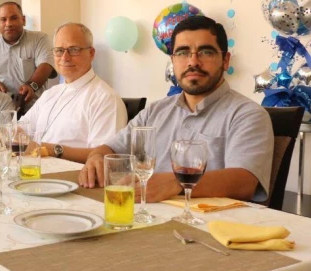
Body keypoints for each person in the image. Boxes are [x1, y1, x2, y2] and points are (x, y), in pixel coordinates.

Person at [80, 16, 274, 202]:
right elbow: (111, 148)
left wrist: (176, 183)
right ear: (172, 61)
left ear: (225, 60)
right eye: (182, 53)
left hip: (211, 221)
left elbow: (244, 182)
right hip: (149, 214)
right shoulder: (155, 111)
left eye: (206, 52)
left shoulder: (248, 115)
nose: (193, 62)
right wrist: (96, 157)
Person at [19, 22, 127, 163]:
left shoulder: (105, 99)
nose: (65, 57)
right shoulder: (50, 94)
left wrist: (51, 149)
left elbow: (105, 157)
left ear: (91, 53)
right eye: (59, 50)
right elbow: (21, 128)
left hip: (74, 175)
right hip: (37, 170)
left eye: (74, 49)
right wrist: (1, 135)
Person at [0, 2, 57, 113]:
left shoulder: (40, 39)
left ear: (23, 20)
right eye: (3, 20)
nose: (8, 24)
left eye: (14, 18)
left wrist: (31, 86)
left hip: (34, 110)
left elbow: (46, 65)